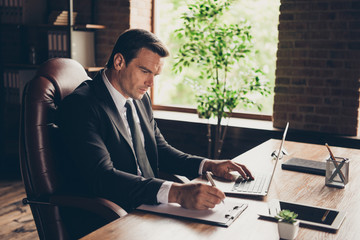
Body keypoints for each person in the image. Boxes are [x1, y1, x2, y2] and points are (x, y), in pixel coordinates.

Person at [59, 28, 253, 213]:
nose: (151, 84)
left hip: (148, 206)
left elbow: (160, 150)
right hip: (111, 215)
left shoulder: (139, 99)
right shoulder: (82, 105)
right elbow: (103, 178)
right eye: (145, 71)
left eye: (155, 75)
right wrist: (177, 193)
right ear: (119, 62)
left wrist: (208, 165)